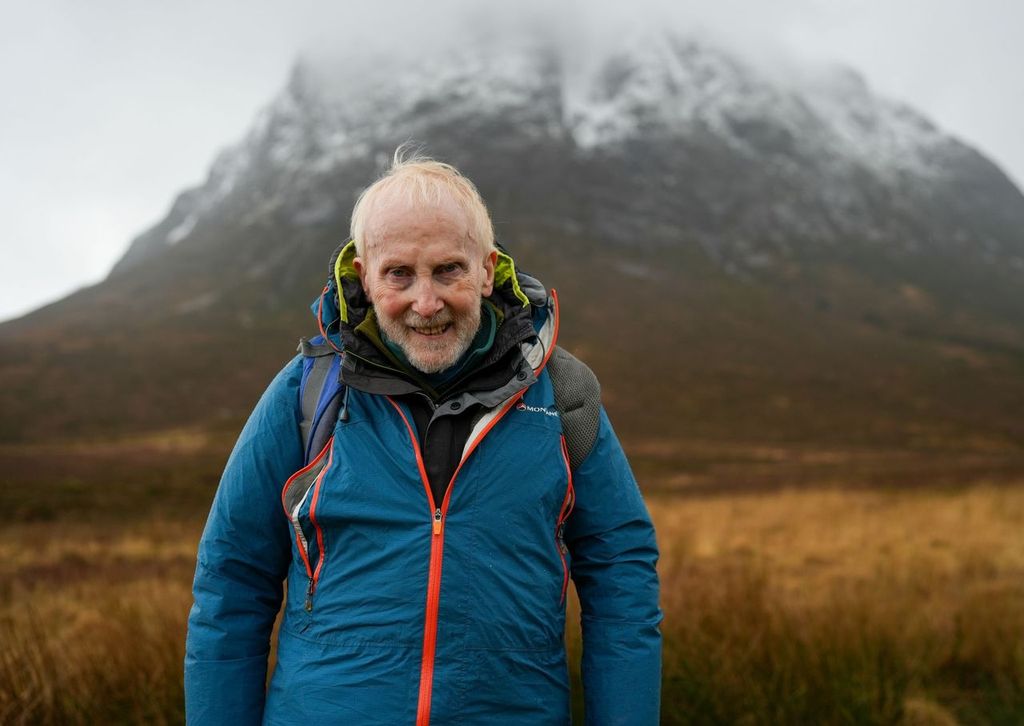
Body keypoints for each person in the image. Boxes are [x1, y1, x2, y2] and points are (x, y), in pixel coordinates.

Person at [184, 149, 662, 725]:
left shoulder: (562, 393)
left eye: (448, 270)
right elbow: (231, 579)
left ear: (487, 271)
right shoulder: (308, 391)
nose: (426, 302)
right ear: (364, 275)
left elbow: (622, 576)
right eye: (399, 274)